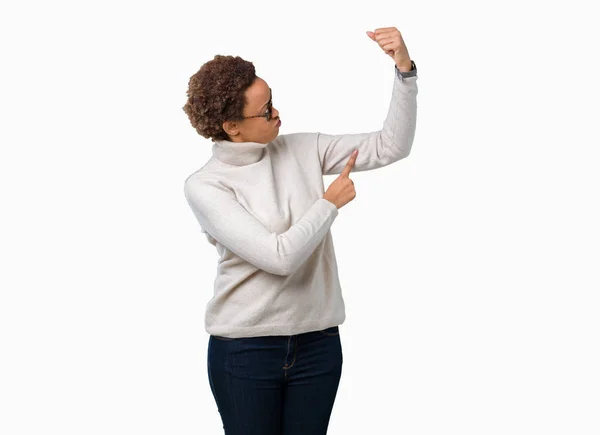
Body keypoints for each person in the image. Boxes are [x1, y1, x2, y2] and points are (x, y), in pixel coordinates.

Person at [182, 26, 418, 435]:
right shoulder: (207, 185)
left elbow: (391, 145)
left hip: (318, 343)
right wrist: (329, 203)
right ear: (232, 126)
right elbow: (279, 257)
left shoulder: (302, 148)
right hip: (246, 351)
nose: (278, 114)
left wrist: (404, 70)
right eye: (266, 110)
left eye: (273, 102)